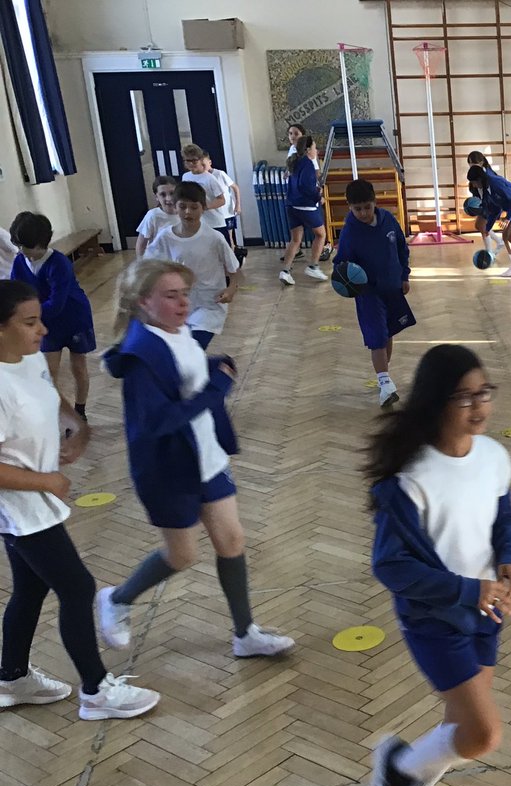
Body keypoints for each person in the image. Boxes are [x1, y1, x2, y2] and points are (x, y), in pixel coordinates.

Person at [366, 344, 511, 786]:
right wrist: (466, 589)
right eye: (463, 397)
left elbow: (504, 520)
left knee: (461, 724)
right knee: (482, 734)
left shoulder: (493, 457)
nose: (478, 406)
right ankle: (399, 770)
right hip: (435, 619)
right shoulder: (410, 479)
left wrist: (510, 561)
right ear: (436, 401)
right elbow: (392, 566)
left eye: (484, 393)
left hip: (486, 611)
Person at [96, 259, 294, 659]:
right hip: (168, 470)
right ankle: (116, 599)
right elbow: (159, 421)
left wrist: (210, 366)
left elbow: (181, 379)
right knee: (182, 555)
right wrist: (216, 387)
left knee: (231, 540)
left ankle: (245, 634)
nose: (184, 303)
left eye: (185, 293)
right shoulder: (140, 356)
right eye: (171, 296)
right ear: (143, 302)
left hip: (206, 457)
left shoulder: (177, 331)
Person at [0, 279, 160, 720]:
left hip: (36, 503)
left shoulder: (30, 358)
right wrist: (46, 481)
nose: (42, 329)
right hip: (21, 508)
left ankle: (11, 678)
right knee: (78, 587)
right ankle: (96, 691)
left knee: (31, 588)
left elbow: (49, 392)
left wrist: (77, 425)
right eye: (30, 322)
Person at [334, 179, 416, 409]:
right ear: (350, 207)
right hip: (368, 293)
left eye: (367, 207)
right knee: (376, 336)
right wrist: (345, 280)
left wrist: (404, 276)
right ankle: (385, 384)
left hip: (392, 287)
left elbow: (402, 248)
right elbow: (340, 264)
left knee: (387, 333)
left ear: (375, 202)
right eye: (357, 209)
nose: (363, 213)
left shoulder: (388, 220)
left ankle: (384, 377)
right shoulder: (350, 232)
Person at [9, 212, 96, 422]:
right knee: (49, 371)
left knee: (79, 367)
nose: (21, 250)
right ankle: (56, 412)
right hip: (46, 323)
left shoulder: (59, 263)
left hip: (74, 319)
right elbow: (15, 291)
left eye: (25, 246)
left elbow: (56, 304)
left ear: (40, 243)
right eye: (18, 245)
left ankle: (80, 411)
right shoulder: (20, 261)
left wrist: (27, 317)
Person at [144, 182, 241, 350]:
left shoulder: (214, 238)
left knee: (193, 346)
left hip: (210, 304)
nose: (188, 212)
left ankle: (215, 365)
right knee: (181, 352)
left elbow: (234, 269)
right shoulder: (165, 238)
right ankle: (216, 365)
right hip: (178, 306)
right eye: (183, 207)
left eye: (194, 207)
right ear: (175, 207)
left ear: (203, 208)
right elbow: (148, 267)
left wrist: (231, 289)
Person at [466, 164, 511, 278]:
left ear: (480, 179)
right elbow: (494, 209)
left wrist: (507, 218)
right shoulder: (486, 189)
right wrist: (487, 228)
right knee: (505, 236)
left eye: (474, 182)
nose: (474, 185)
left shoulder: (495, 183)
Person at [279, 135, 328, 285]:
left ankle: (285, 271)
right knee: (321, 235)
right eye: (314, 148)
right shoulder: (307, 164)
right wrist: (317, 197)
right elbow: (305, 186)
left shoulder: (295, 162)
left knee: (295, 240)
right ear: (308, 150)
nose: (316, 151)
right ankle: (313, 266)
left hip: (292, 205)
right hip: (306, 206)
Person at [180, 143, 228, 234]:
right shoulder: (185, 177)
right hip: (197, 223)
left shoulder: (209, 178)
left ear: (201, 160)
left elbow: (221, 200)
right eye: (188, 161)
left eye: (194, 161)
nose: (191, 164)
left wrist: (204, 207)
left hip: (214, 223)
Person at [136, 176, 179, 258]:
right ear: (156, 197)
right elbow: (141, 245)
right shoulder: (153, 215)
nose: (168, 198)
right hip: (157, 262)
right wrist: (141, 262)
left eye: (172, 193)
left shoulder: (184, 214)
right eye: (163, 194)